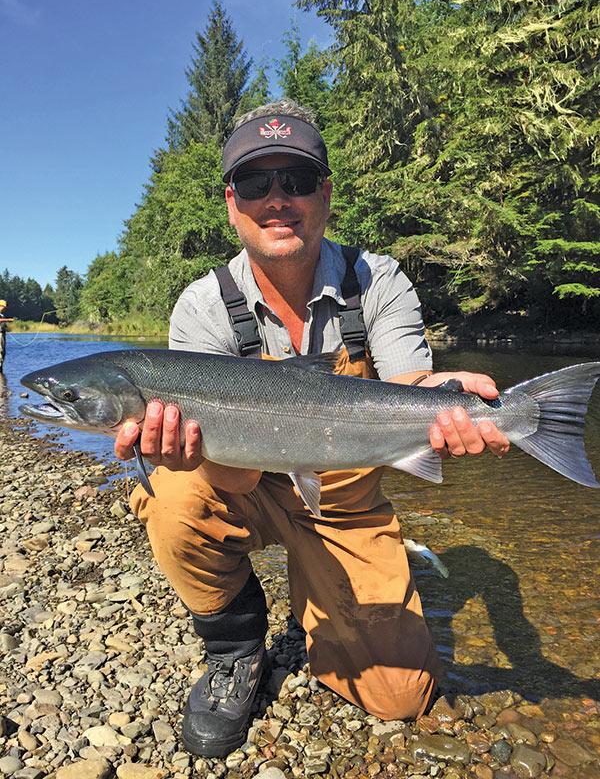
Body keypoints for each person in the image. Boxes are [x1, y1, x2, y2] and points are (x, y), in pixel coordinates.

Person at [115, 100, 509, 758]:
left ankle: (316, 604)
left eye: (296, 180)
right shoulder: (203, 307)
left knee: (401, 697)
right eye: (256, 183)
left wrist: (448, 405)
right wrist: (187, 451)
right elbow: (232, 472)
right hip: (248, 482)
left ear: (324, 193)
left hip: (347, 504)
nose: (278, 199)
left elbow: (408, 386)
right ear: (231, 200)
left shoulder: (377, 280)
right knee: (170, 491)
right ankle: (236, 649)